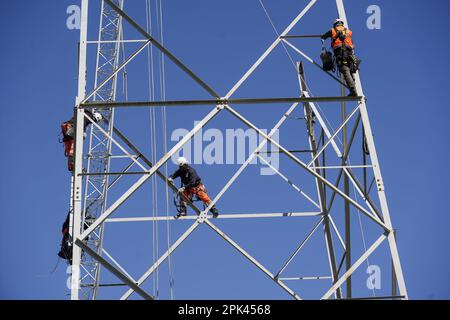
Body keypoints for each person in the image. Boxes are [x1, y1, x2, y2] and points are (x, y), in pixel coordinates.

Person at [321, 18, 359, 96]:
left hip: (340, 52)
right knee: (350, 69)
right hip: (349, 53)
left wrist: (323, 38)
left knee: (345, 70)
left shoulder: (333, 30)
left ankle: (353, 90)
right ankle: (353, 86)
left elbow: (323, 36)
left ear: (335, 24)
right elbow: (353, 44)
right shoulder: (349, 32)